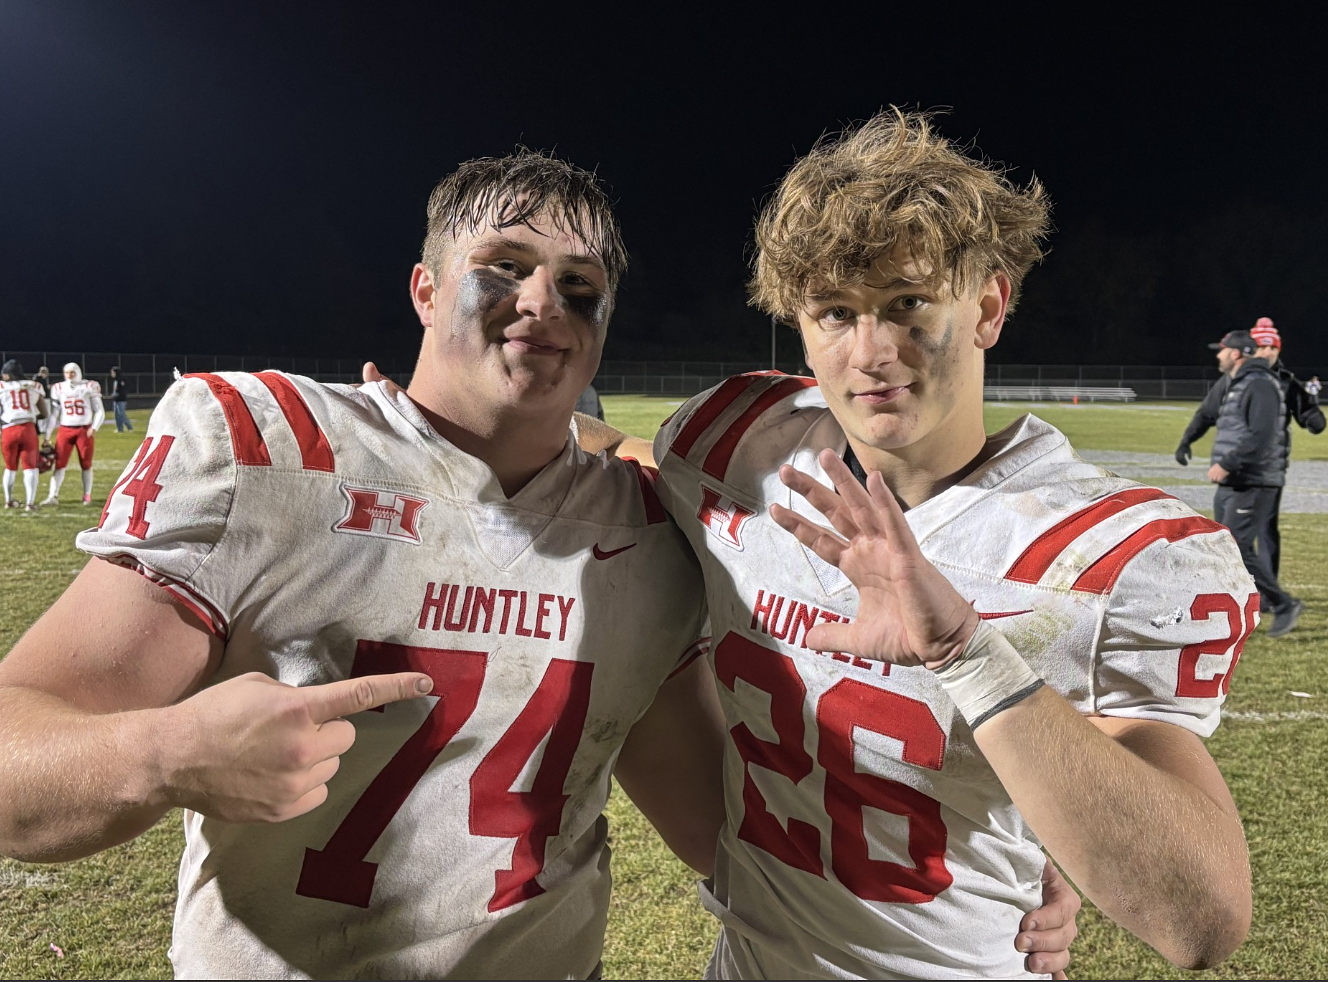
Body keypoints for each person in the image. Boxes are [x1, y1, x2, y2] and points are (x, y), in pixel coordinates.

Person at [0, 151, 731, 980]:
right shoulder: (269, 455)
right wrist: (167, 754)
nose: (541, 302)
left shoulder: (642, 525)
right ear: (424, 289)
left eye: (579, 285)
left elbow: (717, 829)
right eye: (505, 266)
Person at [583, 110, 1252, 978]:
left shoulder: (1106, 554)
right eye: (835, 312)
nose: (872, 353)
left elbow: (1202, 921)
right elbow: (599, 458)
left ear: (987, 306)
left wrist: (967, 654)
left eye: (907, 305)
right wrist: (424, 423)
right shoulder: (734, 447)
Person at [1176, 317, 1323, 597]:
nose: (1267, 354)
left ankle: (1268, 597)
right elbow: (1207, 412)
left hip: (1266, 468)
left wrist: (1311, 413)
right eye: (1262, 348)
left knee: (1265, 530)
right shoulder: (1234, 380)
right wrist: (1187, 439)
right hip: (1241, 468)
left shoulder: (1283, 380)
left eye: (1273, 349)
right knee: (1233, 535)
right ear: (1251, 350)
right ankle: (1246, 592)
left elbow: (1305, 413)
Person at [1195, 330, 1303, 636]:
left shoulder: (1260, 385)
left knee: (1238, 545)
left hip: (1254, 479)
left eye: (1222, 350)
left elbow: (1261, 435)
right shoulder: (1236, 383)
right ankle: (1232, 607)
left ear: (1236, 353)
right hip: (1238, 479)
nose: (1217, 355)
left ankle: (1282, 604)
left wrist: (1227, 463)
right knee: (1225, 545)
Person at [41, 361, 104, 506]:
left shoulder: (89, 386)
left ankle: (87, 495)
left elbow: (99, 410)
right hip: (65, 429)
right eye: (67, 372)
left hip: (83, 429)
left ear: (78, 372)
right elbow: (54, 414)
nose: (69, 375)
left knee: (86, 464)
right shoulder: (59, 388)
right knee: (59, 464)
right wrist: (47, 435)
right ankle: (52, 496)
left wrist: (94, 427)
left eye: (72, 372)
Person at [1, 359, 48, 511]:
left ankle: (8, 501)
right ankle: (30, 503)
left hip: (8, 429)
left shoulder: (2, 387)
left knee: (10, 467)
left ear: (8, 374)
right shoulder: (35, 385)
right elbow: (44, 412)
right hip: (27, 429)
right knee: (30, 467)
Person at [107, 365, 133, 432]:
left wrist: (117, 394)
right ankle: (120, 429)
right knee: (116, 415)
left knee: (121, 414)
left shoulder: (121, 379)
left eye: (113, 372)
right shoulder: (115, 380)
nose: (111, 374)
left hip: (121, 399)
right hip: (116, 400)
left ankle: (129, 427)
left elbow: (123, 390)